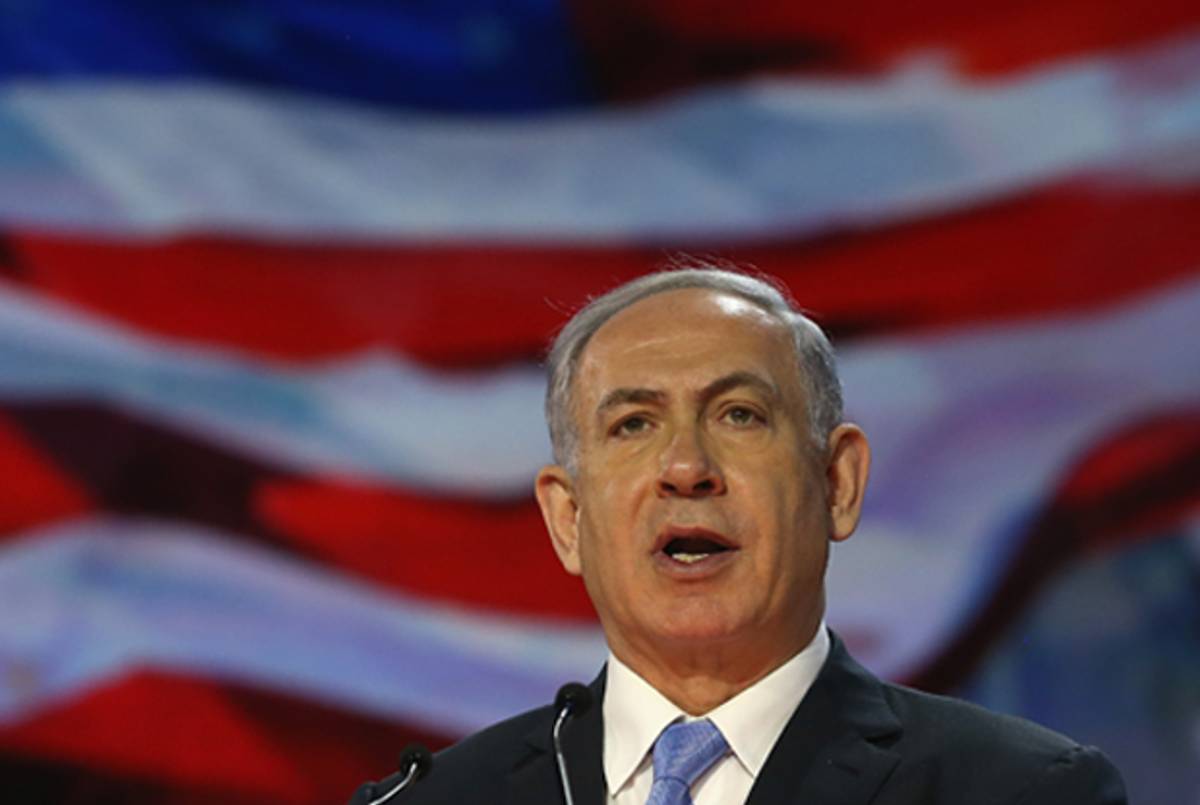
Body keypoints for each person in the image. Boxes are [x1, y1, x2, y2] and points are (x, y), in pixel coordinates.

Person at [350, 263, 1127, 804]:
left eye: (739, 415)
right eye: (633, 424)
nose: (686, 466)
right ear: (568, 517)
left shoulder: (1019, 791)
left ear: (837, 483)